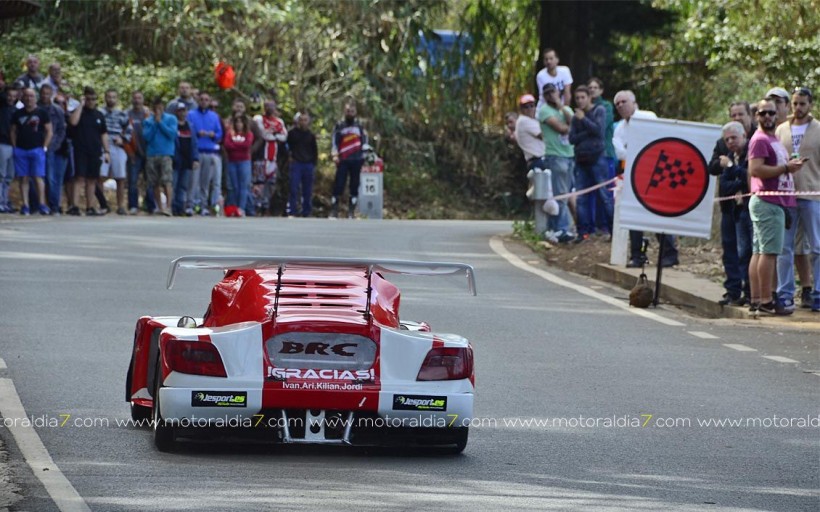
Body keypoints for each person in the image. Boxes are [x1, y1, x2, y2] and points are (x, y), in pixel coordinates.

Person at [748, 98, 804, 316]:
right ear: (757, 116)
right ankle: (765, 300)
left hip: (775, 202)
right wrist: (785, 168)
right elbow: (756, 169)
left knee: (761, 251)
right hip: (768, 202)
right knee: (768, 253)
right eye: (763, 113)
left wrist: (790, 166)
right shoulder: (760, 140)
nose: (768, 117)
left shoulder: (774, 139)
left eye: (771, 113)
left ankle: (757, 299)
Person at [613, 89, 679, 268]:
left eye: (623, 102)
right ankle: (637, 254)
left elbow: (655, 141)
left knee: (657, 213)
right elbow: (620, 152)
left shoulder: (648, 117)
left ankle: (670, 252)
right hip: (634, 174)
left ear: (633, 103)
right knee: (634, 214)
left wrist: (634, 148)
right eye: (617, 104)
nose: (620, 106)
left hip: (656, 171)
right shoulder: (620, 127)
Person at [775, 87, 819, 312]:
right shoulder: (781, 129)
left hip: (812, 194)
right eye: (795, 103)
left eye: (802, 103)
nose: (798, 108)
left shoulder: (818, 130)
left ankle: (817, 293)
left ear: (810, 104)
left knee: (817, 247)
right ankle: (785, 293)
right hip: (785, 196)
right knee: (785, 247)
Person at [709, 102, 754, 305]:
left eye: (740, 114)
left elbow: (749, 177)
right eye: (733, 114)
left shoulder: (756, 140)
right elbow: (714, 168)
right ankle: (732, 290)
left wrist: (733, 169)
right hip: (729, 205)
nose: (736, 118)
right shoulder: (723, 143)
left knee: (747, 251)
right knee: (730, 249)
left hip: (748, 205)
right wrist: (724, 165)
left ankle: (750, 290)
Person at [569, 85, 612, 242]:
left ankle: (612, 230)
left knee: (604, 195)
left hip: (597, 159)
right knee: (581, 198)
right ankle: (583, 232)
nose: (580, 101)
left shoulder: (599, 110)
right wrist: (586, 130)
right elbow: (571, 139)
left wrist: (583, 120)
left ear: (589, 97)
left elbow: (599, 131)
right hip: (581, 160)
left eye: (583, 97)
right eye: (577, 98)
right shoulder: (575, 117)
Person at [537, 82, 575, 242]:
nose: (551, 95)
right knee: (560, 194)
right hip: (555, 155)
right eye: (547, 94)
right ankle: (561, 229)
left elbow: (574, 122)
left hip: (569, 154)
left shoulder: (565, 108)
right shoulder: (544, 110)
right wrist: (569, 125)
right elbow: (562, 128)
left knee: (565, 194)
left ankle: (558, 227)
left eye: (553, 92)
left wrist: (561, 105)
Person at [67, 86, 109, 216]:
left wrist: (107, 151)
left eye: (93, 99)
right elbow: (73, 122)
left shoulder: (99, 115)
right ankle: (74, 206)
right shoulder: (79, 112)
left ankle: (90, 206)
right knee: (79, 178)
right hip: (80, 150)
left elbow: (104, 134)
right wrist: (81, 105)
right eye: (88, 99)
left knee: (92, 179)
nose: (91, 101)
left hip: (95, 151)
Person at [10, 88, 52, 215]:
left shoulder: (42, 113)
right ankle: (25, 205)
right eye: (27, 96)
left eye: (32, 96)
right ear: (23, 97)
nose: (29, 98)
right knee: (23, 178)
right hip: (21, 149)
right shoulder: (17, 113)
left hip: (37, 149)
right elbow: (13, 130)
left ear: (36, 97)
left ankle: (42, 204)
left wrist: (45, 146)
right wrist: (14, 146)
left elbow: (49, 131)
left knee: (38, 177)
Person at [187, 91, 223, 216]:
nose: (204, 102)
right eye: (201, 99)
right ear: (198, 100)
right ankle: (190, 205)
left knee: (205, 181)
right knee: (193, 181)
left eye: (206, 100)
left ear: (209, 101)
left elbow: (220, 133)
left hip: (210, 151)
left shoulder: (214, 116)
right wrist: (197, 133)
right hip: (197, 151)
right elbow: (188, 129)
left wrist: (214, 135)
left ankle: (203, 205)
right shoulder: (191, 114)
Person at [330, 101, 368, 218]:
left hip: (357, 159)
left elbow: (365, 141)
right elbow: (334, 142)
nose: (350, 113)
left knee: (354, 184)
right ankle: (334, 210)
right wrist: (335, 154)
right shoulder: (339, 125)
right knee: (339, 184)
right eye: (347, 111)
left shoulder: (359, 126)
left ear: (355, 112)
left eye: (352, 111)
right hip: (343, 159)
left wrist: (365, 155)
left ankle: (351, 212)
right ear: (344, 112)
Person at [142, 97, 177, 217]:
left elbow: (172, 135)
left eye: (160, 108)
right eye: (156, 108)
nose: (158, 110)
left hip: (166, 153)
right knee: (154, 181)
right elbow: (147, 137)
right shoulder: (148, 121)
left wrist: (160, 123)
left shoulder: (171, 119)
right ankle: (159, 207)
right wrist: (155, 124)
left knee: (167, 180)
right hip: (152, 153)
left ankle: (168, 206)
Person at [99, 89, 132, 215]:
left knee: (120, 177)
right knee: (100, 176)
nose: (111, 99)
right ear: (105, 98)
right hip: (103, 147)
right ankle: (103, 205)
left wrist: (123, 139)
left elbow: (129, 129)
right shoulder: (100, 113)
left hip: (118, 146)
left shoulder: (122, 114)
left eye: (113, 97)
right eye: (109, 97)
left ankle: (121, 206)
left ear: (117, 99)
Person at [252, 100, 287, 215]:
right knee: (259, 182)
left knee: (271, 183)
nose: (269, 108)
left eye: (271, 106)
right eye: (267, 106)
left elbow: (283, 137)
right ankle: (256, 205)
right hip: (261, 157)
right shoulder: (258, 119)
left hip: (274, 158)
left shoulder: (279, 121)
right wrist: (273, 135)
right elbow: (263, 134)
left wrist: (274, 135)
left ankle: (265, 204)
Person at [38, 84, 66, 214]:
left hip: (51, 148)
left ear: (51, 95)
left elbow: (61, 130)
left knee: (51, 178)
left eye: (47, 94)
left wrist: (54, 145)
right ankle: (37, 204)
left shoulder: (57, 110)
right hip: (35, 146)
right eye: (43, 93)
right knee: (36, 177)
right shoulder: (35, 108)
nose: (45, 96)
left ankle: (54, 206)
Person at [125, 90, 154, 214]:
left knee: (150, 181)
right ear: (132, 100)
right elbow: (124, 134)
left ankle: (151, 205)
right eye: (135, 98)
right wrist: (129, 151)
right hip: (134, 152)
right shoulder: (127, 114)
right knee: (132, 180)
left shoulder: (149, 115)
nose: (137, 100)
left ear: (143, 100)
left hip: (148, 152)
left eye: (139, 98)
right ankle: (133, 206)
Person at [286, 111, 318, 217]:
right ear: (298, 121)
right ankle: (292, 210)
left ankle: (306, 211)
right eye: (301, 120)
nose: (303, 122)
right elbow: (287, 147)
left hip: (308, 164)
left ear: (308, 121)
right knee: (293, 188)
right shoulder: (292, 133)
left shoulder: (311, 135)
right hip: (296, 164)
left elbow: (315, 151)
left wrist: (314, 164)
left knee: (307, 190)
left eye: (305, 120)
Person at [223, 114, 254, 217]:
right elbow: (227, 145)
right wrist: (238, 146)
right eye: (237, 122)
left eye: (241, 122)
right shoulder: (230, 134)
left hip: (244, 161)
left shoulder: (248, 134)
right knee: (234, 186)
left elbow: (247, 145)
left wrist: (235, 146)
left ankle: (242, 208)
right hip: (232, 161)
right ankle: (235, 208)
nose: (239, 124)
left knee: (244, 186)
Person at [0, 80, 18, 213]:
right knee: (1, 174)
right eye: (9, 95)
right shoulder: (1, 106)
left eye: (13, 96)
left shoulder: (16, 111)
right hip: (2, 144)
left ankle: (5, 201)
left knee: (9, 176)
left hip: (13, 146)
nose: (11, 98)